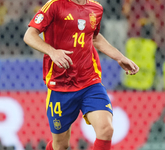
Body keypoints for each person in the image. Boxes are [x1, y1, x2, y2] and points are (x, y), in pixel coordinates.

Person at [24, 0, 139, 150]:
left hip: (89, 81)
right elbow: (29, 35)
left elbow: (94, 37)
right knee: (61, 145)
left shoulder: (96, 8)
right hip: (60, 85)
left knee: (106, 129)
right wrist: (53, 52)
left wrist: (119, 57)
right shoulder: (55, 5)